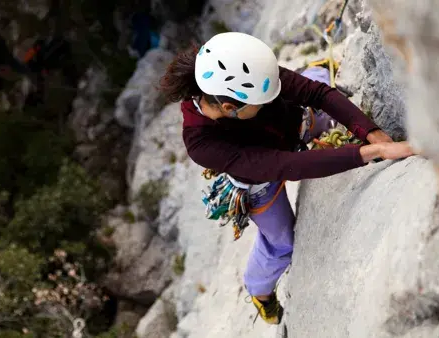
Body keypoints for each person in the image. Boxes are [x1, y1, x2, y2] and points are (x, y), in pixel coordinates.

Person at [159, 32, 415, 325]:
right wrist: (370, 152)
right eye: (262, 101)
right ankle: (260, 292)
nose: (270, 98)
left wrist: (370, 132)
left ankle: (316, 74)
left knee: (317, 81)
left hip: (297, 125)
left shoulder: (246, 70)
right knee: (281, 245)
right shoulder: (201, 143)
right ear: (231, 108)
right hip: (258, 183)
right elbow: (286, 165)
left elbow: (317, 94)